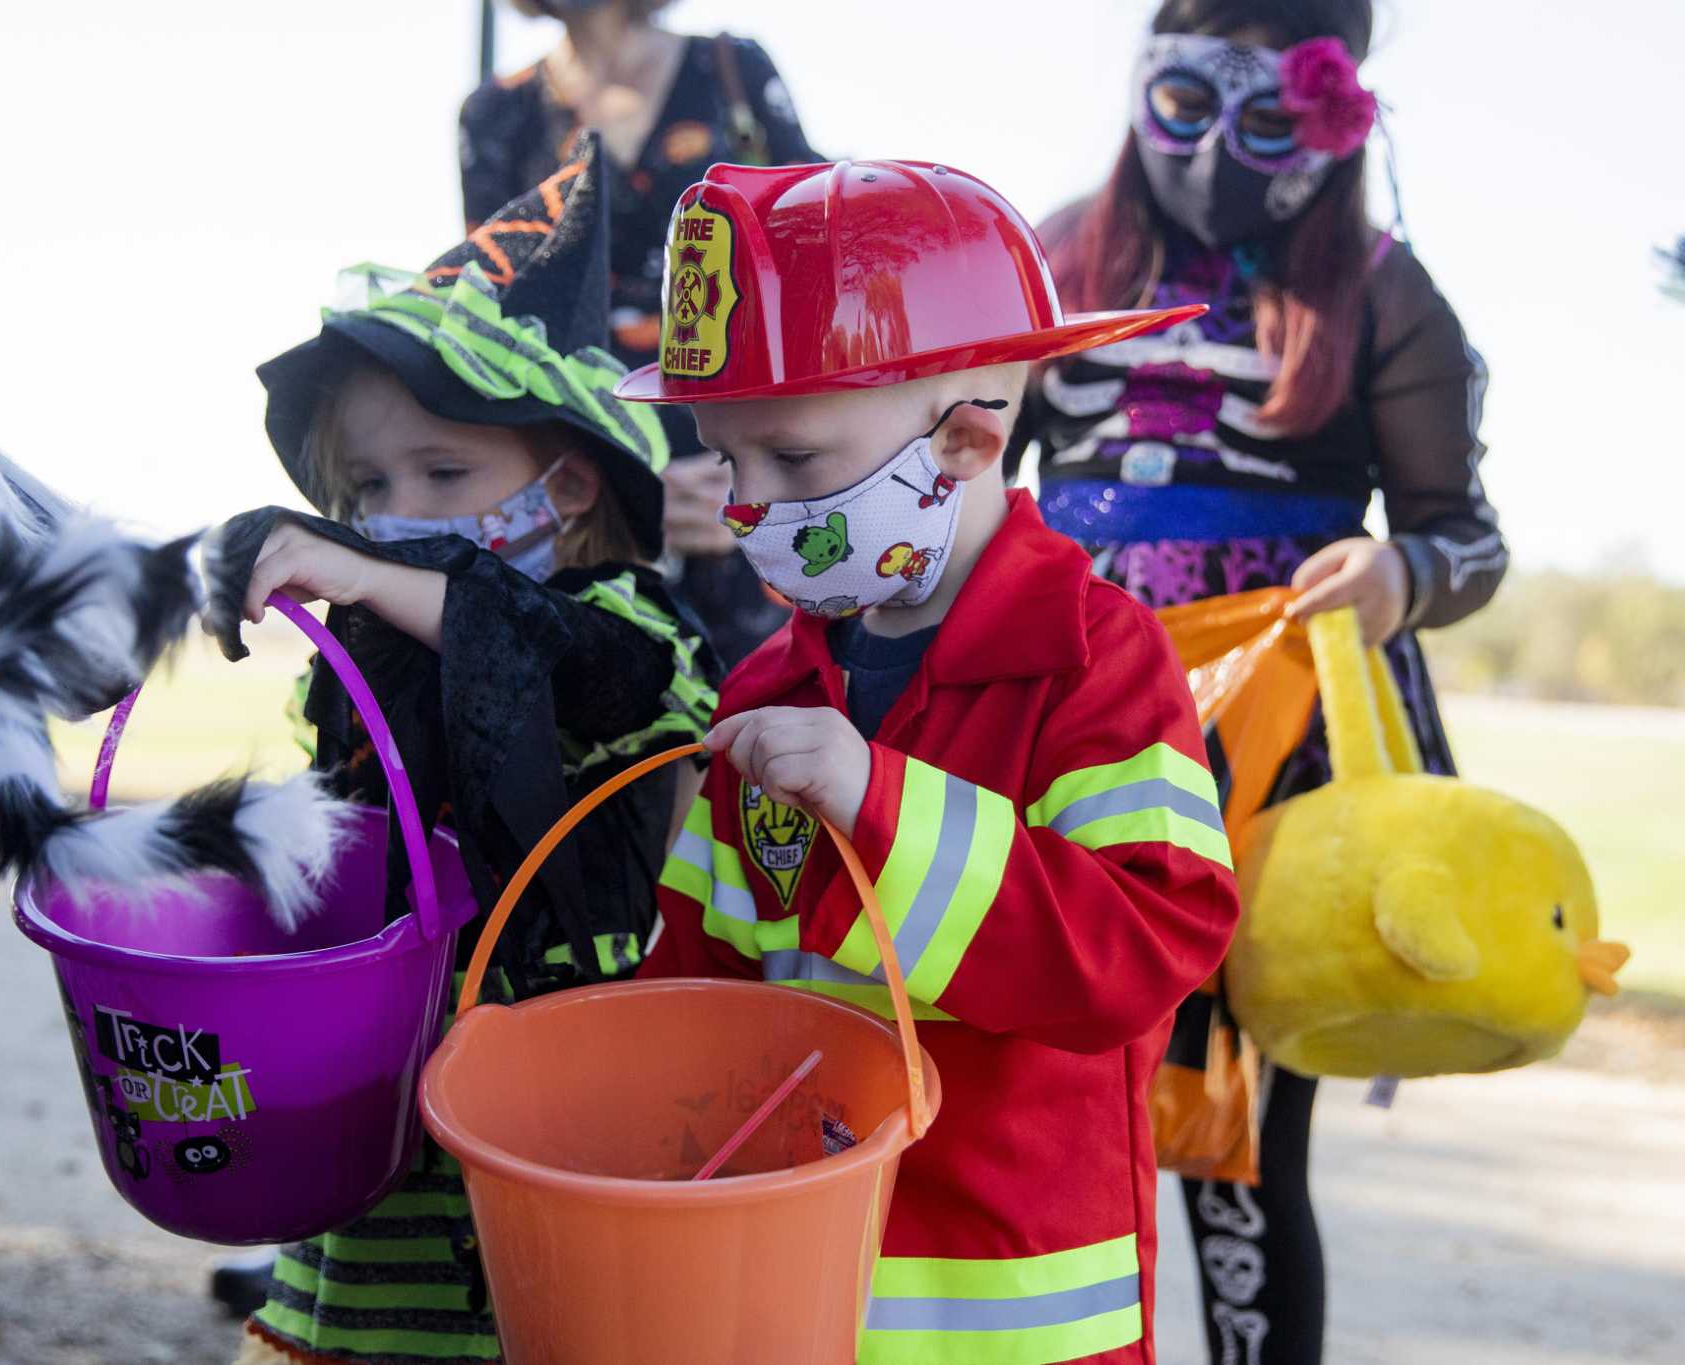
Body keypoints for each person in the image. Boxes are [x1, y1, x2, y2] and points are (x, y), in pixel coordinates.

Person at [621, 159, 1242, 1364]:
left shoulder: (1096, 663)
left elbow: (1140, 950)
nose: (743, 506)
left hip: (1008, 1319)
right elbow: (695, 980)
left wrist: (876, 802)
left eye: (790, 459)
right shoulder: (766, 692)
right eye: (726, 459)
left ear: (963, 438)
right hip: (787, 1302)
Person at [1010, 3, 1505, 1361]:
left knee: (1236, 1141)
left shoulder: (1382, 289)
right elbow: (956, 465)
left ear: (1334, 118)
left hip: (1273, 761)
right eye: (1185, 105)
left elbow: (1466, 537)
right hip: (1065, 727)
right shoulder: (1057, 258)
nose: (1217, 149)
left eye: (1270, 119)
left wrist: (1402, 573)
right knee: (1031, 1109)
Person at [206, 134, 720, 1365]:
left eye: (443, 471)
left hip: (554, 1086)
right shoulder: (361, 655)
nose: (396, 514)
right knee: (376, 1329)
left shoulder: (634, 628)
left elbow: (571, 668)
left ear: (569, 487)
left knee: (533, 1323)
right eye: (367, 485)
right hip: (385, 1084)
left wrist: (375, 579)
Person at [460, 0, 821, 667]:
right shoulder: (497, 113)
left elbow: (814, 268)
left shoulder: (730, 68)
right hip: (589, 498)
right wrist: (618, 490)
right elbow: (495, 325)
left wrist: (776, 471)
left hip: (744, 479)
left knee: (768, 698)